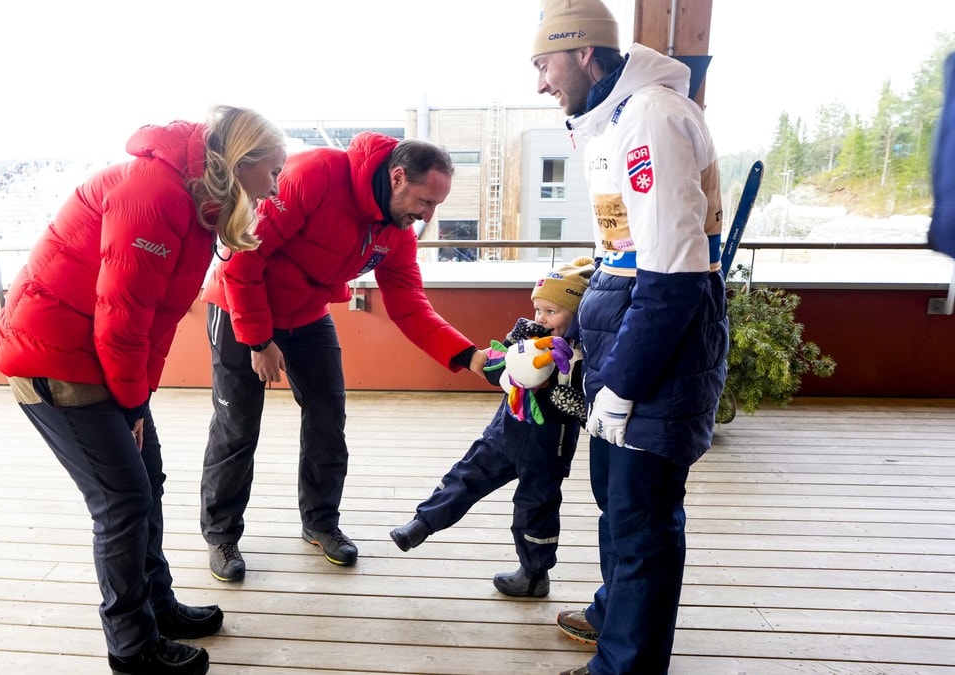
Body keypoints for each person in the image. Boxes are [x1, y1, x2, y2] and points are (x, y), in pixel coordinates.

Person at [0, 105, 286, 675]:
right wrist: (132, 402)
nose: (275, 186)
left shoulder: (197, 199)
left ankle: (157, 605)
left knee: (147, 479)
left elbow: (155, 318)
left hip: (94, 357)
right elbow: (122, 318)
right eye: (271, 172)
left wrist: (137, 400)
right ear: (240, 162)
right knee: (122, 501)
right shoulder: (156, 192)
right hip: (53, 359)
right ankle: (131, 647)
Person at [530, 1, 729, 673]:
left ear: (586, 54)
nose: (539, 83)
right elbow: (622, 252)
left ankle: (625, 665)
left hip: (656, 358)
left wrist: (623, 384)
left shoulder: (651, 118)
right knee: (616, 501)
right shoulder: (609, 120)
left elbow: (673, 276)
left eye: (544, 65)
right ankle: (614, 612)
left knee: (643, 520)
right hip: (623, 344)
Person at [198, 132, 488, 582]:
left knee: (328, 418)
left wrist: (468, 356)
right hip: (239, 306)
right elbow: (242, 257)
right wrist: (258, 341)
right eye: (424, 201)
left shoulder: (396, 232)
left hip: (306, 315)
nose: (427, 216)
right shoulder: (314, 175)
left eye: (435, 207)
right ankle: (221, 535)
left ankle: (320, 522)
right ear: (397, 177)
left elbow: (410, 306)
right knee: (238, 424)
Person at [389, 258, 595, 598]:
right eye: (538, 309)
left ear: (577, 314)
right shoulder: (526, 336)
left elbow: (580, 408)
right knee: (463, 478)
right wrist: (507, 363)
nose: (541, 318)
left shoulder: (582, 357)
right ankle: (422, 524)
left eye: (552, 311)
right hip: (503, 435)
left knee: (535, 511)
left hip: (546, 451)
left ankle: (533, 574)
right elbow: (496, 369)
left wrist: (551, 387)